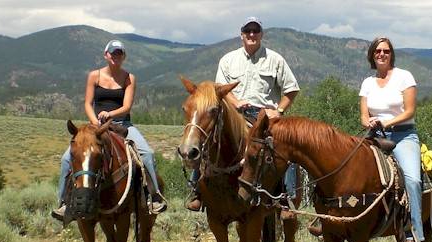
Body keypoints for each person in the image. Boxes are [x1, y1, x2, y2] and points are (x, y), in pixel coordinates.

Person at [184, 17, 301, 214]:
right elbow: (219, 89)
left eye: (256, 31)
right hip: (234, 112)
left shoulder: (275, 59)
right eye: (248, 31)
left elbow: (291, 90)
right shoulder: (228, 60)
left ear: (261, 34)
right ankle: (197, 190)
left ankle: (286, 198)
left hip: (265, 116)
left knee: (284, 149)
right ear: (242, 35)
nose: (252, 34)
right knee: (208, 138)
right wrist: (236, 102)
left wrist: (279, 110)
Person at [52, 40, 167, 220]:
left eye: (119, 53)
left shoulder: (129, 78)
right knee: (67, 158)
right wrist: (95, 123)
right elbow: (88, 104)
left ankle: (154, 196)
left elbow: (127, 106)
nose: (116, 56)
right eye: (113, 53)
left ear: (123, 56)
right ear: (106, 55)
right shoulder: (94, 76)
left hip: (122, 124)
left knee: (147, 154)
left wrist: (110, 114)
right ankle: (64, 202)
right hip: (95, 125)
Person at [358, 37, 424, 242]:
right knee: (347, 164)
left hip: (403, 136)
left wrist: (386, 121)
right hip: (375, 135)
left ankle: (413, 229)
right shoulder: (368, 82)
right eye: (377, 51)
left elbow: (409, 111)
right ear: (372, 54)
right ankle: (333, 218)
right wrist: (370, 122)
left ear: (391, 54)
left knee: (412, 180)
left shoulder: (404, 77)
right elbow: (363, 116)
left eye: (386, 51)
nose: (382, 54)